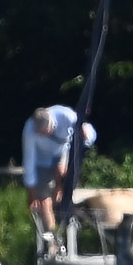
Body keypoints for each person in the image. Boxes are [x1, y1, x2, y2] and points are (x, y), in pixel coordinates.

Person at [22, 103, 95, 252]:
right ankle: (52, 241)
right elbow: (29, 162)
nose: (44, 135)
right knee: (43, 200)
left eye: (46, 132)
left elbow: (89, 134)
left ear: (52, 123)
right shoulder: (29, 129)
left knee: (62, 181)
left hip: (64, 154)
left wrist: (87, 135)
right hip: (42, 161)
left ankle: (61, 211)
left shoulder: (67, 116)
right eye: (40, 133)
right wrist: (32, 194)